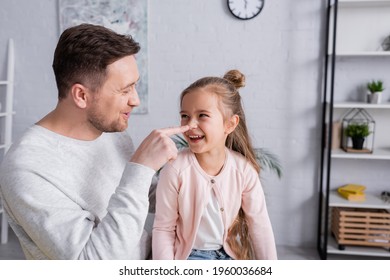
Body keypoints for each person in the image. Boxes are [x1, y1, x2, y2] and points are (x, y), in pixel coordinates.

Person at [0, 23, 189, 260]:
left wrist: (197, 177)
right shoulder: (27, 169)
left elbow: (139, 194)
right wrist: (141, 169)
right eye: (125, 90)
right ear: (81, 95)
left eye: (135, 86)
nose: (136, 100)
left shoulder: (112, 131)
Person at [152, 70, 277, 260]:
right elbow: (163, 228)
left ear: (230, 124)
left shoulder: (243, 170)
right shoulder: (175, 169)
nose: (191, 124)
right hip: (190, 255)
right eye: (185, 115)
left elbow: (259, 225)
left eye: (202, 115)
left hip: (229, 254)